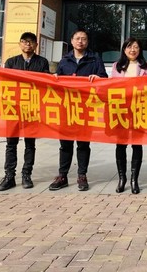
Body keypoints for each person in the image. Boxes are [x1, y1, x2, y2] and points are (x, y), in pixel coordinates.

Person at [49, 29, 107, 192]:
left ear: (87, 42)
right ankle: (62, 176)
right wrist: (54, 78)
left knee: (83, 144)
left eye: (84, 39)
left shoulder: (95, 59)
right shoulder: (64, 60)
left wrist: (98, 78)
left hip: (85, 108)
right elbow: (57, 82)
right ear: (72, 41)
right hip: (66, 108)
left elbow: (104, 79)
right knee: (65, 144)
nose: (80, 41)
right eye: (77, 38)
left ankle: (82, 175)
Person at [0, 32, 50, 191]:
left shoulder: (42, 62)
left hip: (32, 108)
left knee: (30, 143)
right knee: (11, 143)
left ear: (36, 45)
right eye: (25, 41)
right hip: (13, 108)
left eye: (31, 42)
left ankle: (26, 174)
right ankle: (9, 176)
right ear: (20, 44)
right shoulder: (11, 62)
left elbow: (45, 83)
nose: (28, 44)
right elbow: (5, 83)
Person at [110, 37, 147, 194]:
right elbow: (111, 86)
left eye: (135, 47)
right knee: (120, 144)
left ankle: (134, 180)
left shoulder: (146, 66)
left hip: (139, 109)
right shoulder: (117, 66)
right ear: (124, 49)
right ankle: (122, 179)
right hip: (121, 109)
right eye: (129, 47)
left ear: (140, 49)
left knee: (137, 144)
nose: (132, 50)